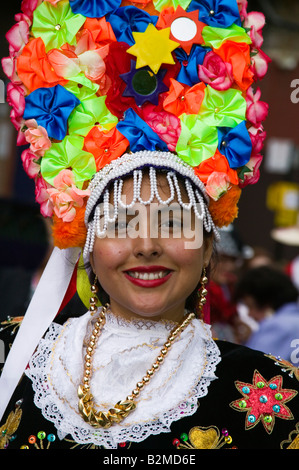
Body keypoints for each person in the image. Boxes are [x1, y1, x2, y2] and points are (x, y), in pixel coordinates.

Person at [1, 0, 298, 451]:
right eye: (121, 224)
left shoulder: (270, 393)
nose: (146, 245)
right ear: (87, 243)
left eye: (173, 223)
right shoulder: (13, 352)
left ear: (207, 247)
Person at [234, 265, 299, 365]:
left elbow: (252, 366)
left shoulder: (277, 326)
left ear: (265, 302)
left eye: (251, 306)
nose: (249, 314)